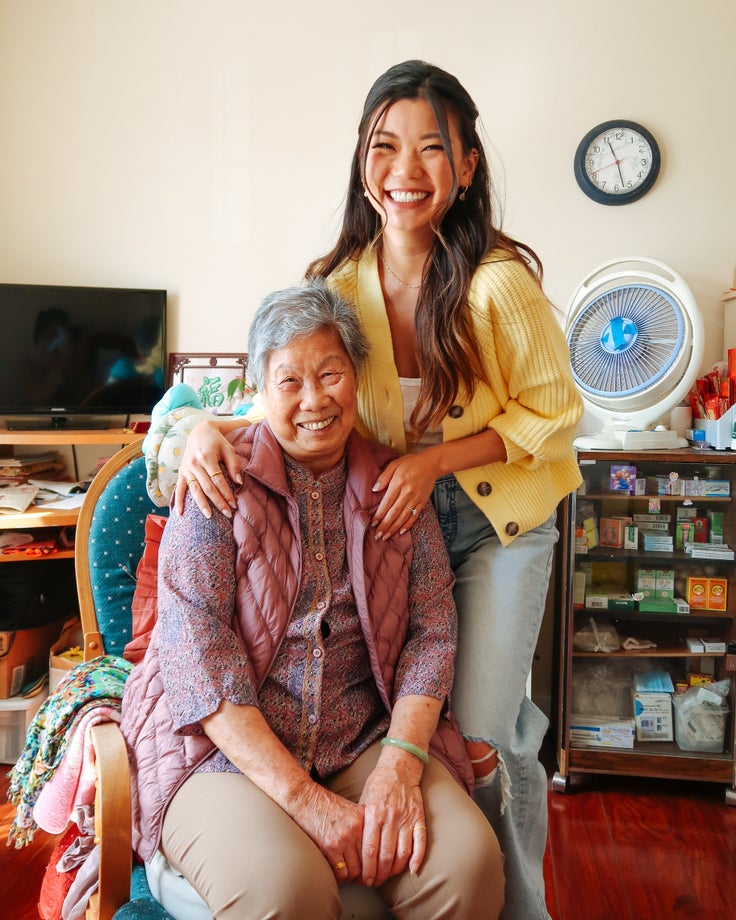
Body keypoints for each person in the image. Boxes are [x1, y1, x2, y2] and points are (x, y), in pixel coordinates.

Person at [167, 60, 583, 919]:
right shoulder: (340, 278)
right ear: (363, 161)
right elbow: (290, 380)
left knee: (482, 736)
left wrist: (435, 461)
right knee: (449, 726)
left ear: (467, 165)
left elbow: (554, 417)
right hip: (400, 515)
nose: (406, 169)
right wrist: (197, 431)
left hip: (497, 517)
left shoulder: (500, 283)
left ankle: (524, 905)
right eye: (385, 146)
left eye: (433, 148)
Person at [120, 282, 504, 920]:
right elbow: (199, 664)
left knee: (467, 867)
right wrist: (306, 802)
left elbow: (432, 634)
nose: (314, 399)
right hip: (222, 752)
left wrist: (402, 763)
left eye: (331, 373)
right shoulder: (217, 481)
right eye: (290, 380)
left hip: (361, 739)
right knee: (287, 894)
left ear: (357, 378)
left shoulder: (396, 485)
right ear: (259, 388)